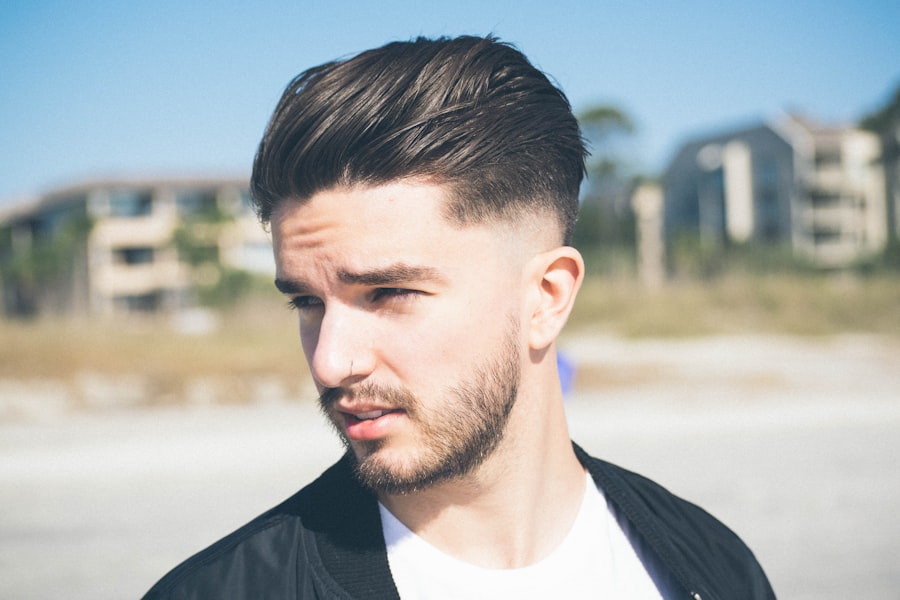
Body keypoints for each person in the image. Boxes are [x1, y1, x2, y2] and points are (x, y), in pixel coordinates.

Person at [143, 35, 775, 599]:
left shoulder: (710, 568)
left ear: (547, 297)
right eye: (307, 301)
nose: (330, 361)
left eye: (388, 292)